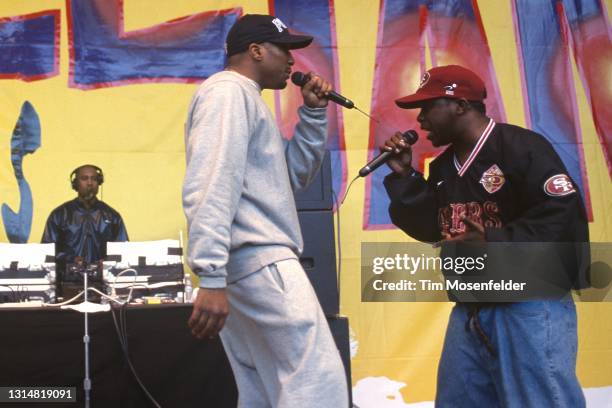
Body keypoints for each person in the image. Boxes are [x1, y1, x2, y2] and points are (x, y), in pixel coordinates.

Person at [382, 65, 589, 407]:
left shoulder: (522, 147)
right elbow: (430, 227)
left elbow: (562, 215)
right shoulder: (444, 167)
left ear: (460, 105)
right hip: (471, 308)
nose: (419, 120)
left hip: (529, 304)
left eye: (428, 107)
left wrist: (495, 240)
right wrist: (404, 176)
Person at [182, 14, 348, 407]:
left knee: (264, 387)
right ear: (256, 50)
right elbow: (210, 181)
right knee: (316, 382)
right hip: (260, 262)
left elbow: (289, 179)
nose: (293, 62)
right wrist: (209, 273)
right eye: (285, 50)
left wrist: (311, 114)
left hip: (246, 266)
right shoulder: (228, 94)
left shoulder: (243, 97)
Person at [42, 164, 128, 285]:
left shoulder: (112, 216)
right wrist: (70, 259)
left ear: (99, 183)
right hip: (67, 283)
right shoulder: (59, 214)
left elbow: (123, 251)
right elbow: (47, 251)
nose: (89, 183)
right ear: (75, 184)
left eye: (94, 179)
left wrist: (105, 263)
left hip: (104, 283)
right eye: (84, 178)